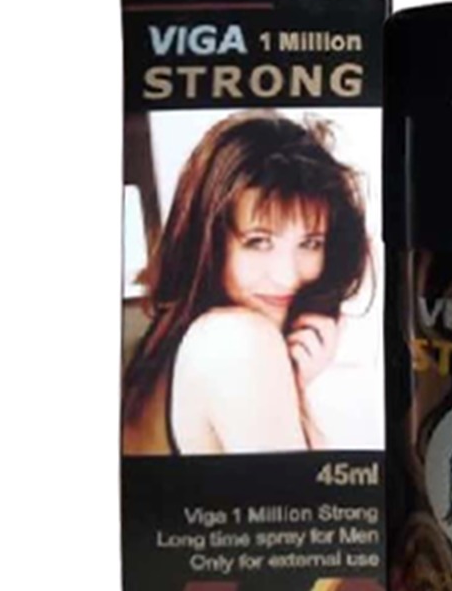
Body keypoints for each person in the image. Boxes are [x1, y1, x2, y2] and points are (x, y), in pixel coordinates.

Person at [122, 111, 369, 455]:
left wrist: (291, 385)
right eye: (258, 241)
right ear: (208, 241)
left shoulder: (169, 336)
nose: (287, 276)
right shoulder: (238, 339)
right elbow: (307, 489)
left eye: (310, 243)